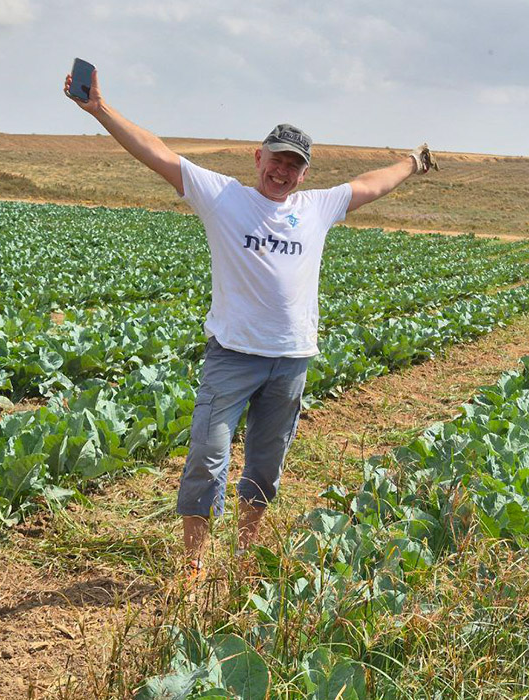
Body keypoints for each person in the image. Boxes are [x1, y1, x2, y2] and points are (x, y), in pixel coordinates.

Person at [65, 68, 439, 578]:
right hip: (232, 356)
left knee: (265, 465)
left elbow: (372, 184)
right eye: (276, 160)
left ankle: (244, 554)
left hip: (291, 360)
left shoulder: (318, 206)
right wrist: (99, 109)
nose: (282, 172)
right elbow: (157, 153)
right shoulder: (222, 197)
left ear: (304, 174)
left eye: (294, 165)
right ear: (257, 157)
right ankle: (194, 565)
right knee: (206, 456)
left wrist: (413, 162)